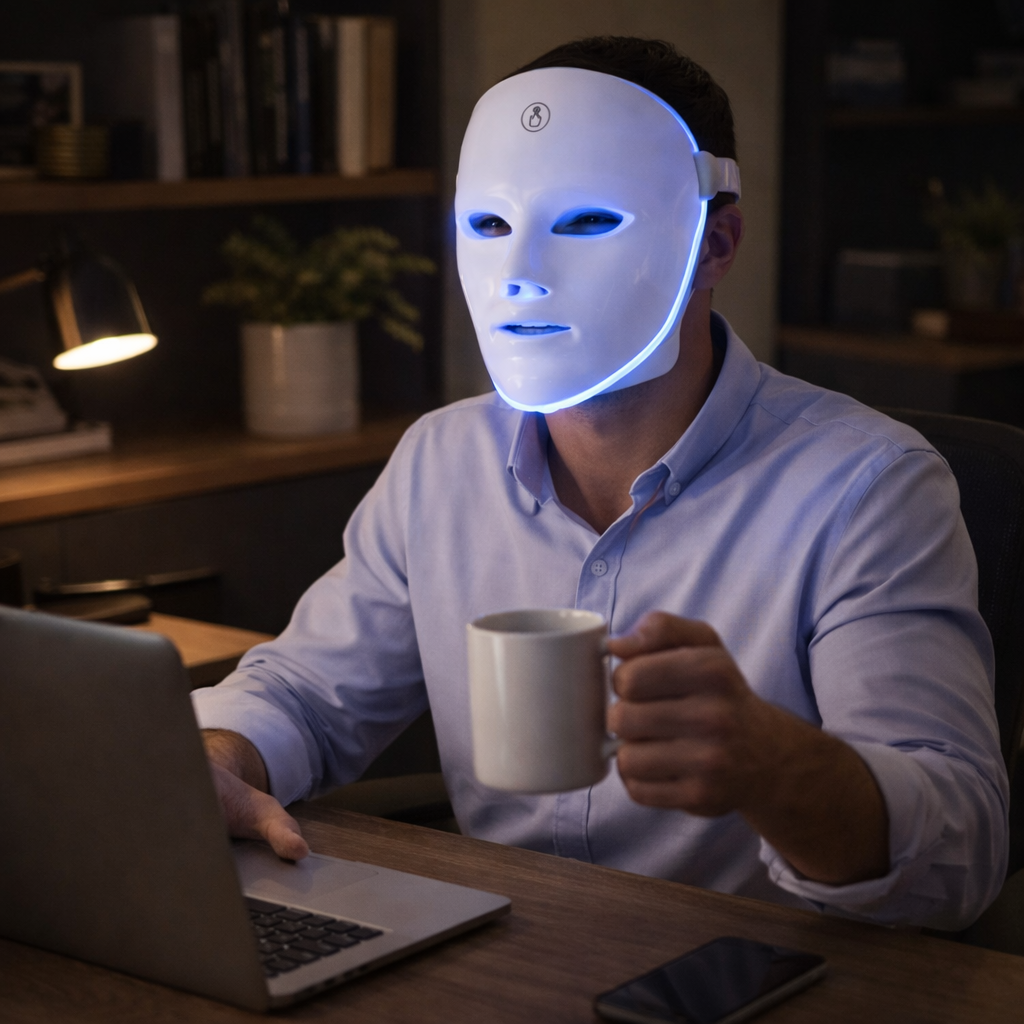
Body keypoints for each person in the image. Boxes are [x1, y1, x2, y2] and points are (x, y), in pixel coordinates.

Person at [194, 37, 1008, 930]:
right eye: (489, 226)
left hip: (748, 970)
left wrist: (775, 768)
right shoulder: (441, 462)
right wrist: (221, 759)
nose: (522, 275)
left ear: (715, 243)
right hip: (499, 951)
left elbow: (961, 853)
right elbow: (308, 695)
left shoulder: (867, 489)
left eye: (586, 223)